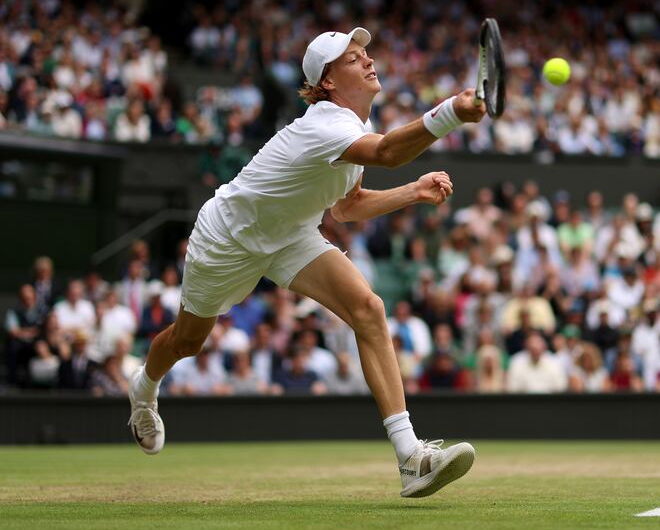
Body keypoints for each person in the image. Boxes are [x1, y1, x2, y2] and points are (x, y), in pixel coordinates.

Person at [126, 27, 483, 498]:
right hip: (228, 236)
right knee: (188, 341)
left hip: (290, 235)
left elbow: (347, 207)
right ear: (328, 81)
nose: (368, 61)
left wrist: (412, 192)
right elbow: (390, 152)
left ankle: (411, 457)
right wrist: (451, 112)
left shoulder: (348, 130)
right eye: (354, 59)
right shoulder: (325, 124)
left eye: (365, 53)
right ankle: (144, 388)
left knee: (369, 310)